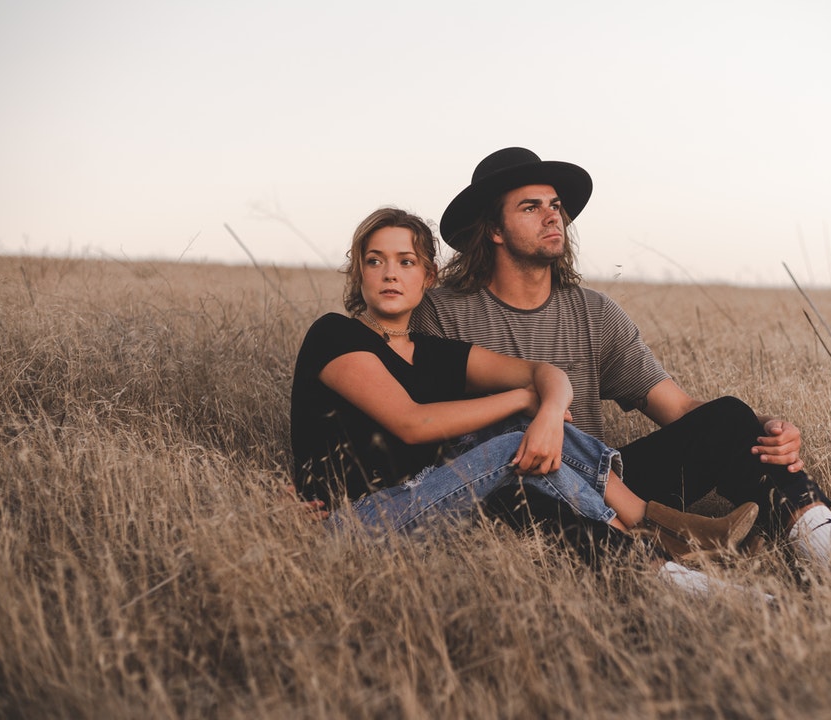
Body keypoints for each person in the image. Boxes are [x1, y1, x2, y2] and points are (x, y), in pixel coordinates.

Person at [411, 147, 831, 588]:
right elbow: (423, 430)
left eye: (555, 204)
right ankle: (696, 586)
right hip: (515, 486)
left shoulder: (594, 312)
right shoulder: (442, 313)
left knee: (730, 417)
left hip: (607, 481)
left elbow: (677, 407)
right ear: (493, 229)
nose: (553, 214)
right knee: (517, 493)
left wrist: (761, 428)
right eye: (530, 207)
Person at [290, 207, 770, 598]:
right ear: (359, 271)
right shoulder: (335, 335)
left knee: (527, 437)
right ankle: (658, 532)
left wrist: (544, 410)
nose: (390, 274)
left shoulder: (434, 352)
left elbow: (549, 376)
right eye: (375, 261)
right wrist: (525, 401)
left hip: (431, 500)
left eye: (406, 262)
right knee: (511, 439)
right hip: (357, 520)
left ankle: (660, 546)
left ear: (428, 276)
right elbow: (412, 424)